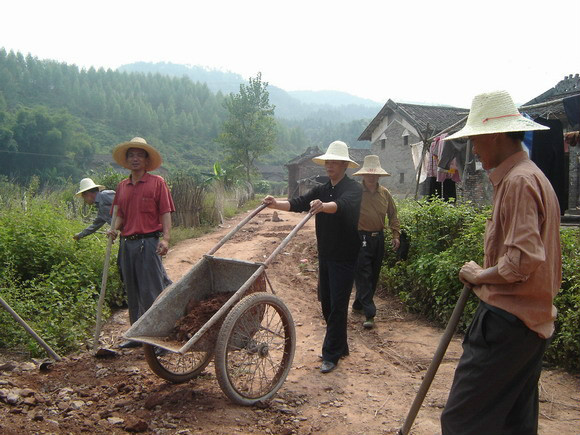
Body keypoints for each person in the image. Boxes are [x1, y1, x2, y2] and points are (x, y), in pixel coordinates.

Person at [440, 91, 562, 435]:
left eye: (475, 140)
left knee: (462, 421)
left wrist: (480, 275)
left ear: (494, 135)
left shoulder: (519, 182)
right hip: (529, 324)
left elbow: (519, 263)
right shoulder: (529, 176)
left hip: (507, 322)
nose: (474, 150)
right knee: (513, 423)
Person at [263, 140, 362, 374]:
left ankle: (331, 354)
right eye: (328, 161)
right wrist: (276, 203)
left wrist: (324, 205)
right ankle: (341, 346)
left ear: (345, 165)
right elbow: (298, 203)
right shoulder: (321, 187)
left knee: (338, 305)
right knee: (327, 303)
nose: (330, 165)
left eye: (335, 162)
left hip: (345, 256)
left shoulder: (353, 189)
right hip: (326, 255)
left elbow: (342, 206)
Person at [107, 137, 175, 349]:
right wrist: (113, 229)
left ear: (146, 160)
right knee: (133, 290)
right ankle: (136, 335)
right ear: (126, 160)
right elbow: (119, 216)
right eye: (131, 155)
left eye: (139, 155)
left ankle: (159, 338)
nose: (135, 159)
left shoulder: (157, 183)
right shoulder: (122, 186)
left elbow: (165, 212)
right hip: (128, 244)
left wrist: (165, 238)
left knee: (152, 290)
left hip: (149, 243)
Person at [351, 155, 400, 329]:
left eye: (374, 175)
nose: (371, 177)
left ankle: (358, 304)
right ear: (364, 175)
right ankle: (370, 313)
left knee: (373, 275)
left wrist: (395, 235)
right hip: (360, 238)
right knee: (363, 274)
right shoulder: (356, 192)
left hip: (378, 238)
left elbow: (393, 214)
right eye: (368, 174)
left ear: (378, 176)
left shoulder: (384, 193)